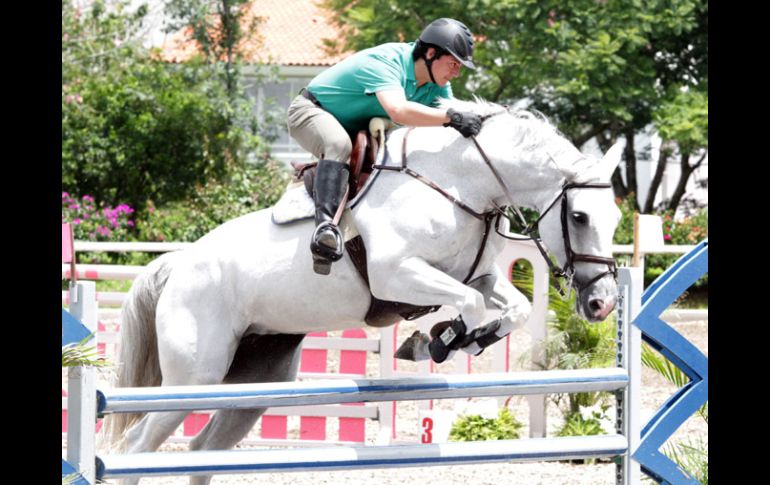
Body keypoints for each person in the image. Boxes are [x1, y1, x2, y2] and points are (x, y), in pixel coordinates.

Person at [287, 18, 482, 275]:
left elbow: (450, 118)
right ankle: (325, 230)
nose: (457, 71)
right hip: (310, 111)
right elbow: (398, 111)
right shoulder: (387, 61)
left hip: (354, 127)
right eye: (454, 63)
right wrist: (452, 119)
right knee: (338, 144)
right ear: (431, 53)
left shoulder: (437, 86)